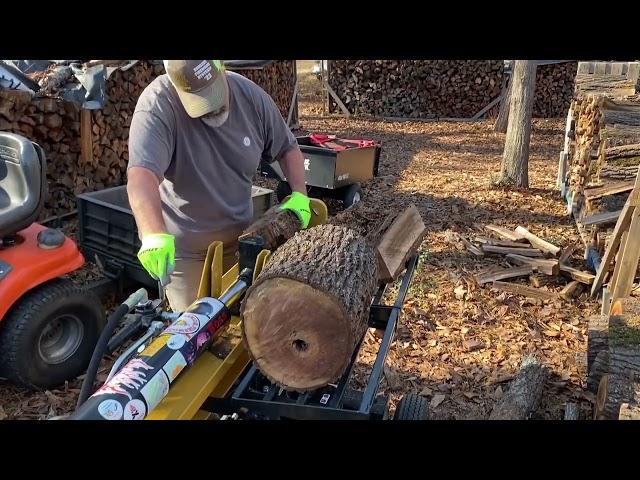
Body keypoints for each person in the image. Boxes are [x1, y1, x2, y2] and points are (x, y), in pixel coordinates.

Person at [127, 60, 310, 312]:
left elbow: (287, 148)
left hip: (245, 241)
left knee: (249, 323)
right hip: (187, 254)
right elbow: (141, 176)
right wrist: (152, 234)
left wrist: (300, 193)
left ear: (221, 67)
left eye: (212, 92)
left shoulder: (252, 99)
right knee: (195, 333)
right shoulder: (158, 105)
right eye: (198, 98)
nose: (209, 107)